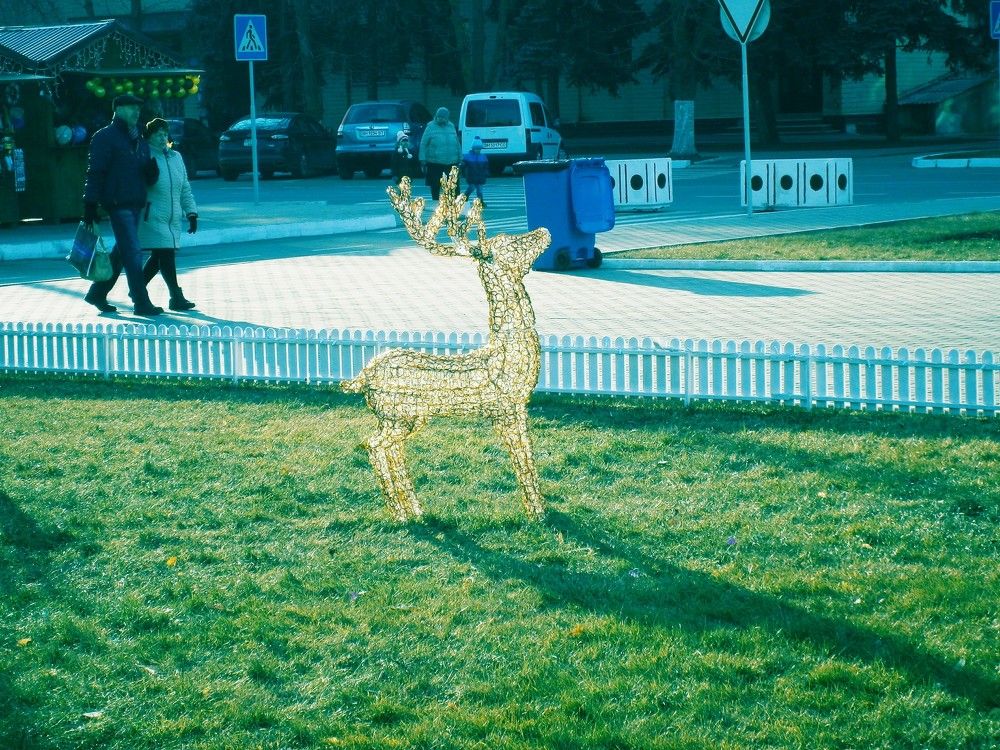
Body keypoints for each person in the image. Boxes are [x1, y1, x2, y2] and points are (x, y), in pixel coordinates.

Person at [82, 93, 163, 316]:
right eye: (130, 108)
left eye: (137, 108)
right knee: (133, 250)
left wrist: (151, 174)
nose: (135, 112)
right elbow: (95, 172)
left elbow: (147, 177)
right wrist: (90, 205)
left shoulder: (140, 141)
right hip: (118, 203)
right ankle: (140, 301)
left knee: (123, 251)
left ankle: (97, 293)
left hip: (136, 202)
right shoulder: (105, 137)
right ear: (117, 109)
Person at [139, 118, 198, 311]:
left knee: (160, 254)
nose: (162, 138)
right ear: (149, 137)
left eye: (165, 134)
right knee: (165, 253)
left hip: (172, 216)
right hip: (152, 213)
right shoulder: (144, 155)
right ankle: (176, 296)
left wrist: (191, 213)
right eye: (157, 134)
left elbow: (185, 188)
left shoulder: (176, 157)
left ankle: (137, 288)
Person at [419, 106, 460, 201]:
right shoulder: (430, 126)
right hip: (435, 162)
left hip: (452, 161)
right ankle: (436, 203)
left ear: (447, 118)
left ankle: (455, 205)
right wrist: (422, 159)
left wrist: (460, 157)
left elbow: (457, 143)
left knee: (454, 186)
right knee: (435, 185)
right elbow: (423, 143)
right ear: (436, 116)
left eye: (443, 117)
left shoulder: (451, 126)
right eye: (439, 117)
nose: (440, 119)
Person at [461, 136, 489, 207]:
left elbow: (486, 167)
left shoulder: (483, 157)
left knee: (479, 190)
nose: (478, 150)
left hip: (479, 176)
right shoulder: (468, 157)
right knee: (472, 188)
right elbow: (463, 166)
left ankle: (480, 202)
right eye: (477, 149)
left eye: (479, 149)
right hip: (471, 176)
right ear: (473, 148)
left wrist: (486, 173)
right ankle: (465, 198)